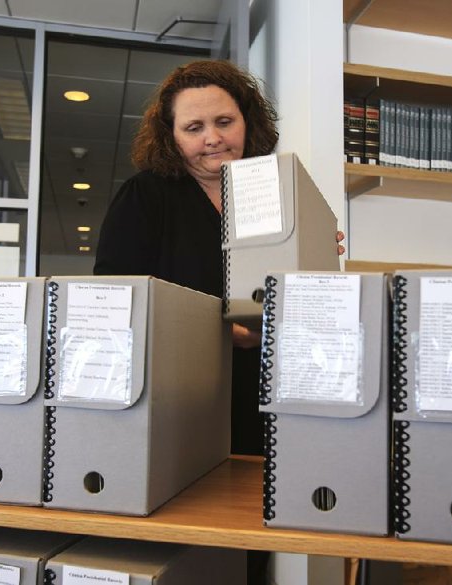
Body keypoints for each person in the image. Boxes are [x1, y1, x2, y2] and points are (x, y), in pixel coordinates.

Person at [94, 60, 344, 455]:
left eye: (225, 121)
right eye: (194, 128)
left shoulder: (276, 195)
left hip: (271, 395)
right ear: (172, 137)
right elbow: (114, 304)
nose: (213, 138)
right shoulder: (145, 196)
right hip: (180, 400)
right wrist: (217, 335)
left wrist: (320, 260)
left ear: (247, 122)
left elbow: (307, 305)